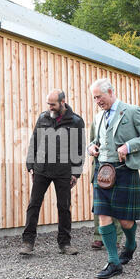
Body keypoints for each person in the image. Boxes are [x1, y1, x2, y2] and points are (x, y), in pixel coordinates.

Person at [87, 78, 140, 279]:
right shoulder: (98, 116)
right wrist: (91, 147)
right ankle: (113, 262)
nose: (97, 101)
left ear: (110, 92)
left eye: (99, 97)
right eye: (94, 98)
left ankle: (131, 244)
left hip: (125, 170)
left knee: (126, 221)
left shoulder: (132, 111)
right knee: (103, 214)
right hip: (102, 171)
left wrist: (129, 146)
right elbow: (95, 140)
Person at [20, 89, 86, 255]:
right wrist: (30, 164)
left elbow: (80, 149)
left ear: (62, 102)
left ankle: (65, 244)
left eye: (53, 104)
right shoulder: (43, 117)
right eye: (48, 104)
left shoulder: (76, 121)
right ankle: (28, 242)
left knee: (64, 207)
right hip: (41, 168)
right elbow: (34, 141)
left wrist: (76, 173)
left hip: (64, 171)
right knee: (33, 205)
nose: (50, 107)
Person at [89, 121, 123, 250]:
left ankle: (116, 238)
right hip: (99, 170)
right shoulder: (97, 121)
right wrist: (91, 149)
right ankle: (99, 238)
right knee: (99, 206)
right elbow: (92, 142)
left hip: (116, 168)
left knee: (116, 205)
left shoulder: (120, 122)